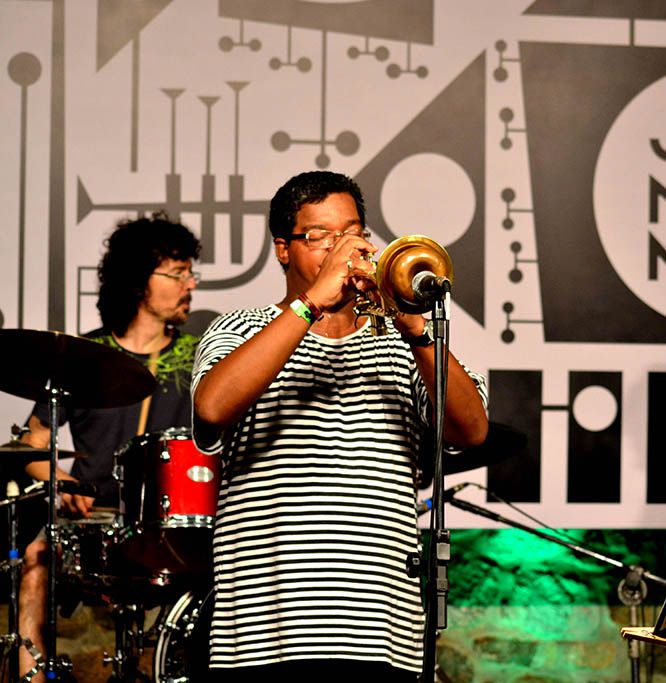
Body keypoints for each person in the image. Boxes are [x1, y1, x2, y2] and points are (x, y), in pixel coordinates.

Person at [191, 170, 488, 679]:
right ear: (283, 249)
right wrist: (311, 303)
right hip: (263, 637)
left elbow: (472, 430)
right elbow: (213, 407)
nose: (342, 248)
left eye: (352, 233)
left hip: (381, 637)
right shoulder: (240, 328)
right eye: (320, 236)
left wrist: (415, 326)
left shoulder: (403, 343)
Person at [16, 214, 201, 681]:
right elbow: (32, 445)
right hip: (92, 520)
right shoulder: (84, 356)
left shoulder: (198, 356)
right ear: (139, 281)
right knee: (35, 557)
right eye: (177, 273)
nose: (190, 284)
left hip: (167, 525)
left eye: (190, 273)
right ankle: (31, 676)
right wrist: (63, 482)